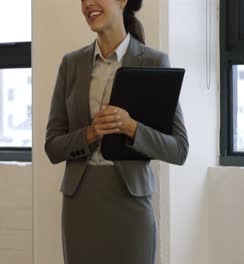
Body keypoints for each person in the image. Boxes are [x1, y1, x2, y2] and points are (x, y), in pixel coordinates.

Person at [45, 0, 189, 263]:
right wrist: (90, 133)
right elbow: (53, 147)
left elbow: (178, 149)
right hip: (81, 202)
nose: (88, 4)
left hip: (130, 204)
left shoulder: (155, 61)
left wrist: (131, 128)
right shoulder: (71, 64)